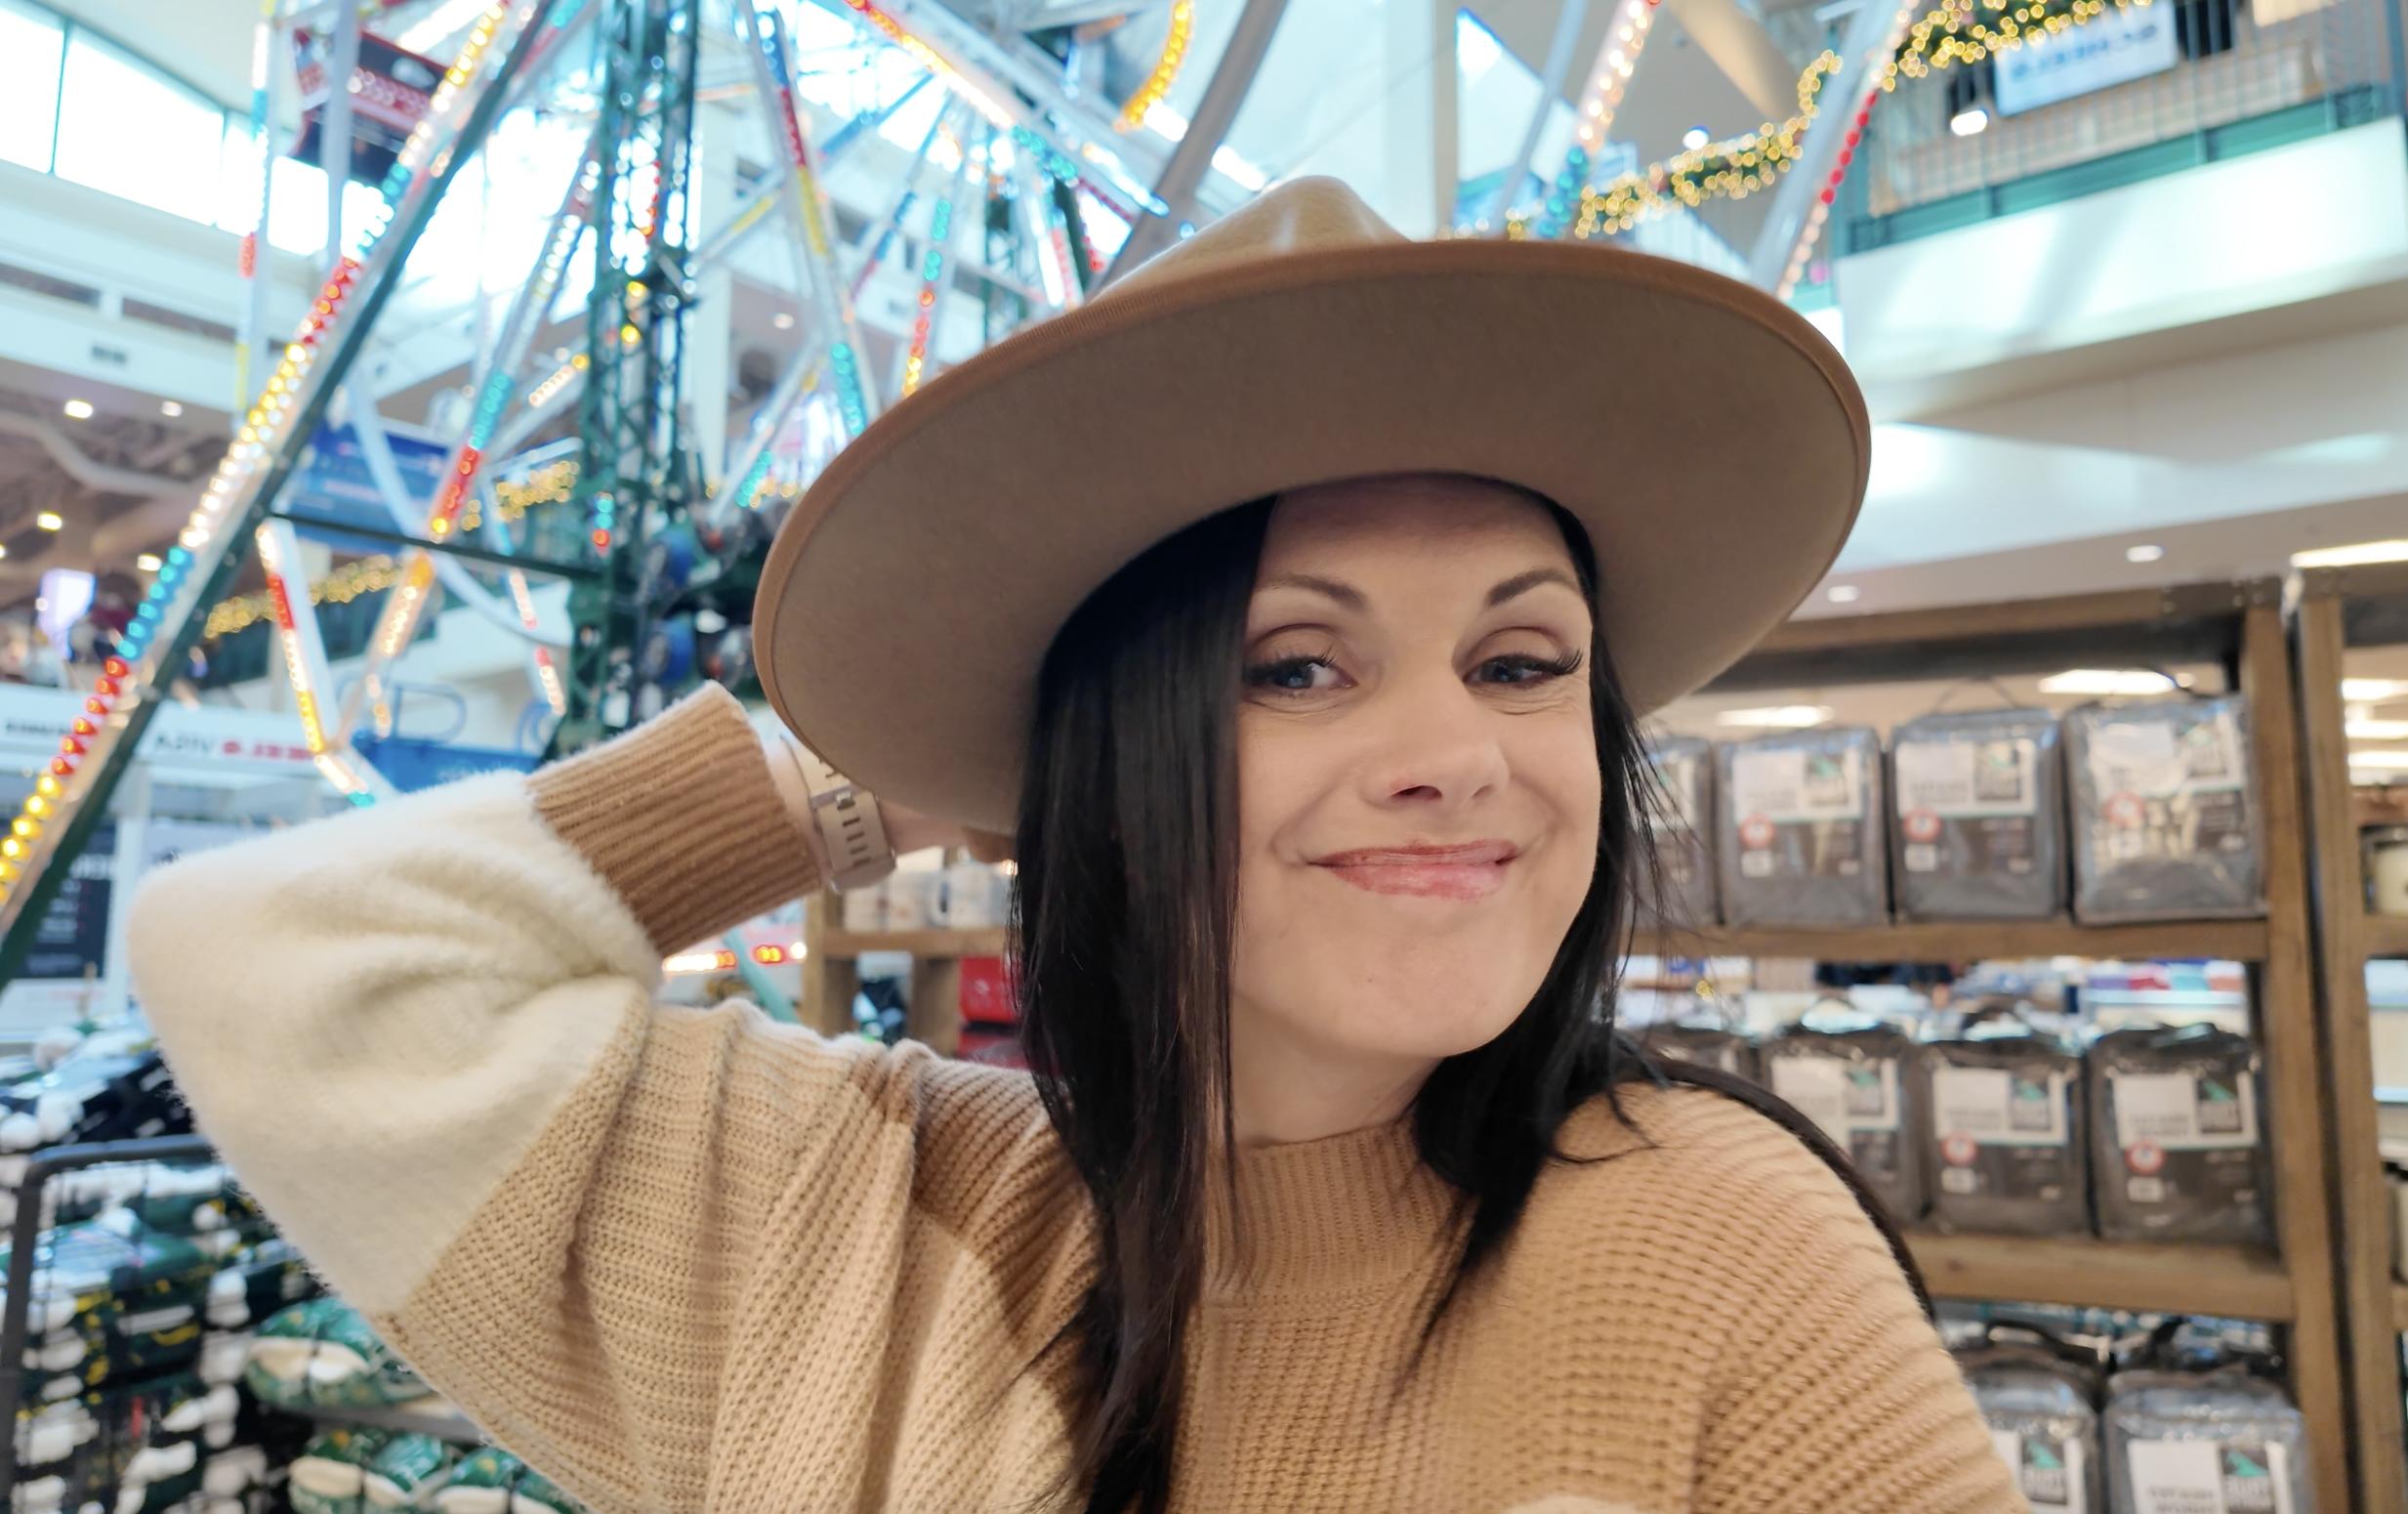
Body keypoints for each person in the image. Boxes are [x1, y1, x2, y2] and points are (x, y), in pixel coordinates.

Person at [130, 180, 2018, 1513]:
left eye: (1520, 663)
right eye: (1296, 665)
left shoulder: (1712, 1250)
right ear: (1108, 756)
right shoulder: (851, 1220)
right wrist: (887, 767)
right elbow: (278, 957)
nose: (1459, 758)